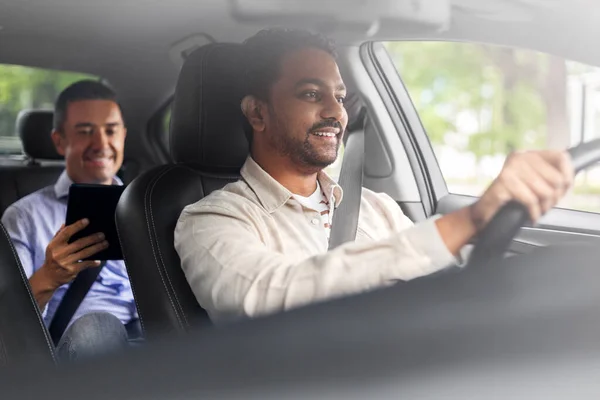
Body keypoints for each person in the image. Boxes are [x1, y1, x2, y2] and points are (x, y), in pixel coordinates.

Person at [174, 29, 574, 324]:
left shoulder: (374, 206)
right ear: (257, 113)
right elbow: (270, 294)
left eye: (341, 97)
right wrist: (466, 220)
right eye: (312, 94)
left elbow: (446, 274)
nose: (336, 113)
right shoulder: (211, 220)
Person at [2, 80, 140, 361]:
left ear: (124, 135)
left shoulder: (147, 207)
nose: (101, 144)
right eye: (85, 132)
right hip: (77, 350)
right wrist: (49, 276)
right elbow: (6, 324)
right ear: (59, 140)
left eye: (111, 130)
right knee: (99, 328)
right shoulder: (24, 216)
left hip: (151, 342)